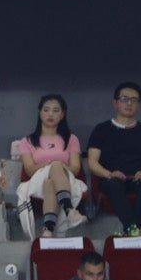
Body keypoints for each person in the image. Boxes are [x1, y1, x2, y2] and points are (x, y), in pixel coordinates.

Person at [85, 81, 141, 235]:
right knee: (114, 184)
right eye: (124, 99)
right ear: (115, 103)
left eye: (134, 100)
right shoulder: (101, 129)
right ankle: (133, 230)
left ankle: (131, 230)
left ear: (139, 105)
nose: (129, 103)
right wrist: (108, 174)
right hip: (111, 178)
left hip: (138, 178)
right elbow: (92, 162)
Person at [16, 94, 88, 237]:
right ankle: (69, 211)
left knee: (51, 182)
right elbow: (29, 170)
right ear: (40, 113)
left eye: (56, 110)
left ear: (62, 115)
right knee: (54, 167)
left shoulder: (71, 139)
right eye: (46, 110)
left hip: (66, 180)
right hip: (37, 181)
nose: (50, 114)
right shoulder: (27, 141)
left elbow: (75, 168)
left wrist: (59, 168)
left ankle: (48, 229)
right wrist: (49, 165)